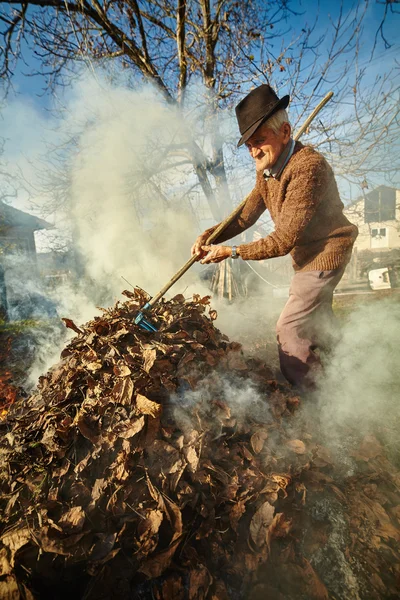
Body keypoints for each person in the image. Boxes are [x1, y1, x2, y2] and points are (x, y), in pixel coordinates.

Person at [191, 84, 358, 389]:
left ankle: (316, 399)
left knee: (289, 329)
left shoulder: (308, 168)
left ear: (284, 131)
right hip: (307, 255)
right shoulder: (267, 170)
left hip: (326, 253)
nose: (253, 151)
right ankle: (345, 377)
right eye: (248, 145)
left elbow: (283, 240)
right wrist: (209, 235)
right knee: (320, 323)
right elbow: (245, 215)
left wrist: (229, 252)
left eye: (260, 141)